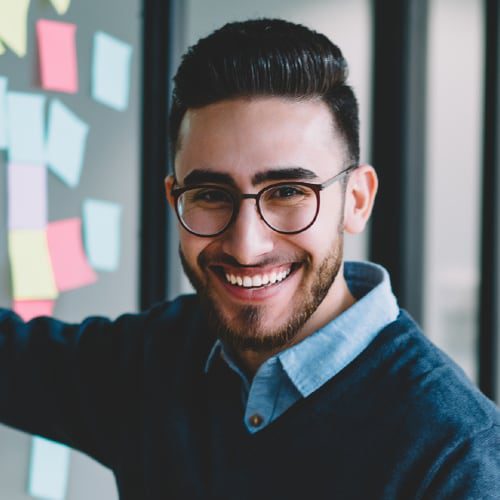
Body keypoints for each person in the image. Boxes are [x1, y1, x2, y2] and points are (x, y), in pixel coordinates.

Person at [1, 18, 499, 500]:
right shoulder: (159, 358)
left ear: (357, 200)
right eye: (211, 194)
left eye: (287, 191)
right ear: (174, 199)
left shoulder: (455, 454)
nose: (246, 244)